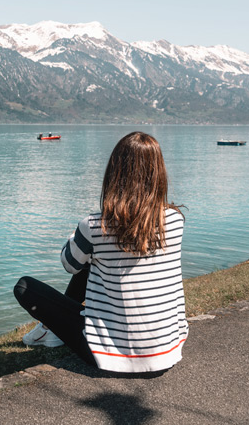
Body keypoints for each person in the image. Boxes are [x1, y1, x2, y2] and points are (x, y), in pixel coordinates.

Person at [13, 131, 187, 374]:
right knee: (98, 260)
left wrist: (78, 237)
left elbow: (69, 264)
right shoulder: (176, 220)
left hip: (108, 358)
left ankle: (51, 330)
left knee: (24, 287)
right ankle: (52, 331)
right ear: (159, 174)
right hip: (166, 352)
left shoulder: (95, 226)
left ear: (115, 173)